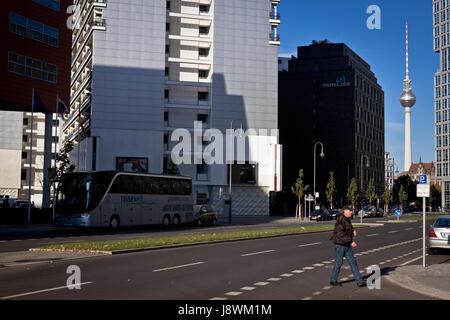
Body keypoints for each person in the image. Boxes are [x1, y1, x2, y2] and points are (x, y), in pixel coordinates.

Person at [329, 205, 366, 287]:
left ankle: (359, 280)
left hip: (346, 244)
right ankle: (333, 280)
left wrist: (353, 231)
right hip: (340, 245)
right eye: (350, 211)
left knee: (353, 262)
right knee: (338, 263)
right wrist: (350, 241)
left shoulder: (347, 219)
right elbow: (340, 234)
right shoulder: (340, 219)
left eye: (351, 211)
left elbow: (349, 228)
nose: (351, 212)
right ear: (345, 211)